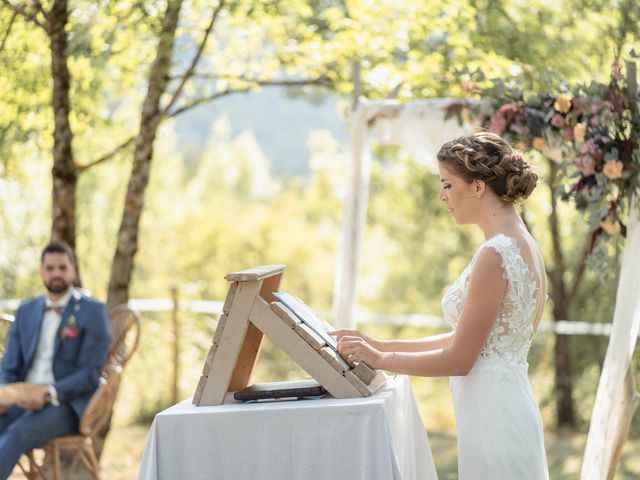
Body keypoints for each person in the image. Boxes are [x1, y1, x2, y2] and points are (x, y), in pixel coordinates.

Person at [331, 132, 550, 479]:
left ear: (477, 187)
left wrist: (381, 360)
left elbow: (460, 360)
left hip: (493, 417)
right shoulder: (523, 245)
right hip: (502, 407)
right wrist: (378, 343)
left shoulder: (496, 254)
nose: (441, 196)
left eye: (447, 185)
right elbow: (466, 339)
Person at [0, 240, 111, 479]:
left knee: (17, 434)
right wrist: (5, 394)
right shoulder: (26, 310)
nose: (56, 273)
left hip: (64, 404)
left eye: (62, 267)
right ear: (42, 271)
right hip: (21, 399)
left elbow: (90, 373)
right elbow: (10, 366)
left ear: (73, 270)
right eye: (50, 268)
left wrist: (49, 392)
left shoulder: (93, 312)